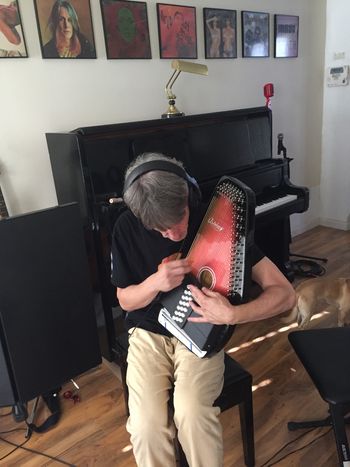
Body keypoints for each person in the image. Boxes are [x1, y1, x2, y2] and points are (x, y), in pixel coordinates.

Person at [111, 152, 296, 467]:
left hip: (201, 330)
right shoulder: (126, 227)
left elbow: (286, 295)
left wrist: (232, 315)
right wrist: (155, 283)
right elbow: (125, 300)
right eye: (161, 230)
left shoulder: (219, 217)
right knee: (146, 427)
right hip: (148, 333)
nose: (173, 235)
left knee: (192, 412)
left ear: (189, 194)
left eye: (178, 220)